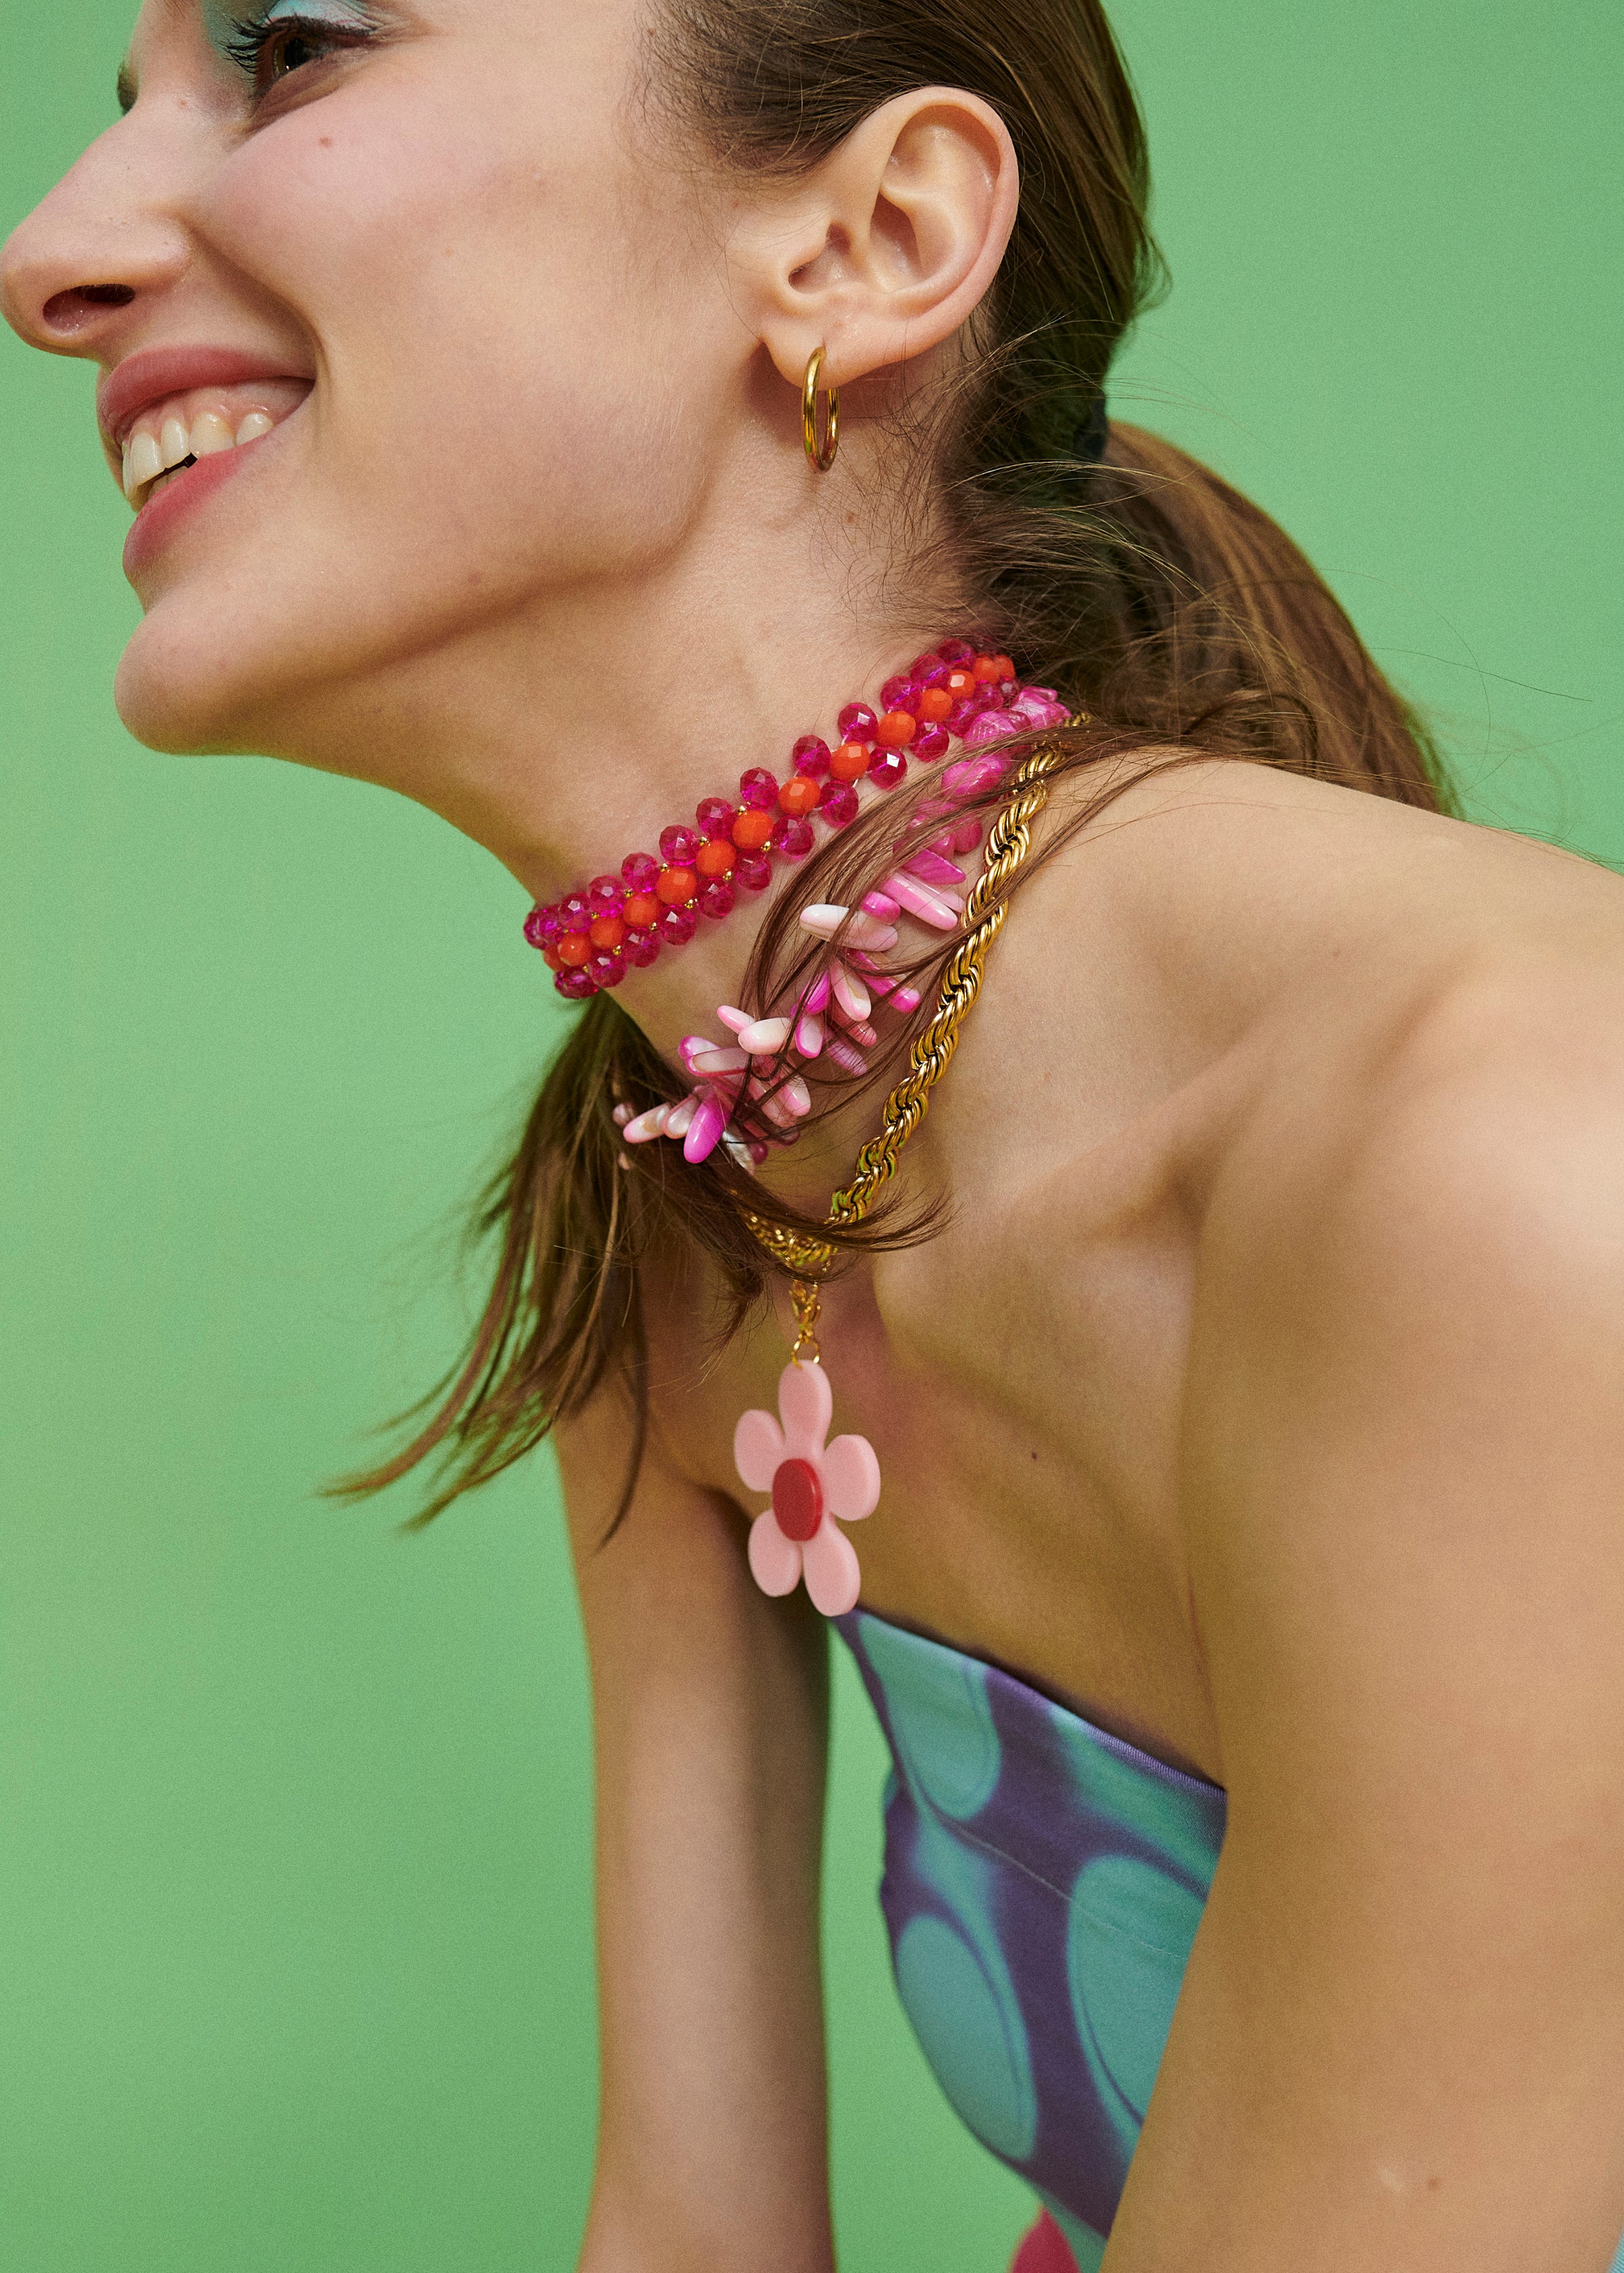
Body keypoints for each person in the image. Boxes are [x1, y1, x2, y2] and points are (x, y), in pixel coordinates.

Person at [6, 2, 1624, 2266]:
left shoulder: (1518, 1151)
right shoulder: (688, 1211)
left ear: (874, 239)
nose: (52, 254)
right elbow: (692, 2234)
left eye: (290, 45)